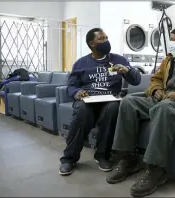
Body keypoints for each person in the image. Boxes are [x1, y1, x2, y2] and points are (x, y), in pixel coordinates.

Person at [106, 24, 175, 197]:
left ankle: (155, 170)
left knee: (164, 108)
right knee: (128, 101)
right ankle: (127, 158)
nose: (174, 44)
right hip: (162, 97)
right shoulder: (169, 58)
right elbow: (156, 78)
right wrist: (155, 90)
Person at [59, 28, 141, 176]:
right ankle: (69, 159)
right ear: (92, 43)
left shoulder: (118, 59)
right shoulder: (81, 63)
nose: (106, 41)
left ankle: (103, 155)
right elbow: (71, 86)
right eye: (101, 39)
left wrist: (127, 70)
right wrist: (77, 92)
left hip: (110, 100)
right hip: (88, 100)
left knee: (113, 108)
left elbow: (136, 80)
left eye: (106, 38)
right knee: (81, 111)